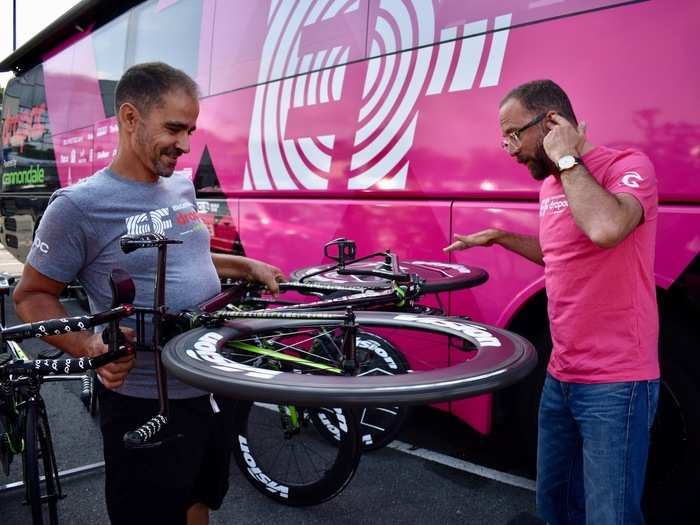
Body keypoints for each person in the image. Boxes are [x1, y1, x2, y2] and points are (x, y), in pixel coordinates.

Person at [13, 62, 285, 525]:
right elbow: (32, 295)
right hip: (143, 400)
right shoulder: (78, 206)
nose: (184, 144)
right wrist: (90, 346)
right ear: (130, 118)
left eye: (191, 130)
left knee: (199, 500)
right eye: (175, 128)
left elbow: (186, 257)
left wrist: (244, 264)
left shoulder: (179, 184)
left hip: (208, 382)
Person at [444, 79, 659, 524]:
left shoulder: (626, 166)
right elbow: (559, 251)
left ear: (551, 122)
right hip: (561, 378)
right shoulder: (553, 185)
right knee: (555, 507)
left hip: (616, 384)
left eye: (513, 135)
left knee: (609, 515)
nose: (509, 149)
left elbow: (605, 229)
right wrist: (501, 237)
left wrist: (566, 157)